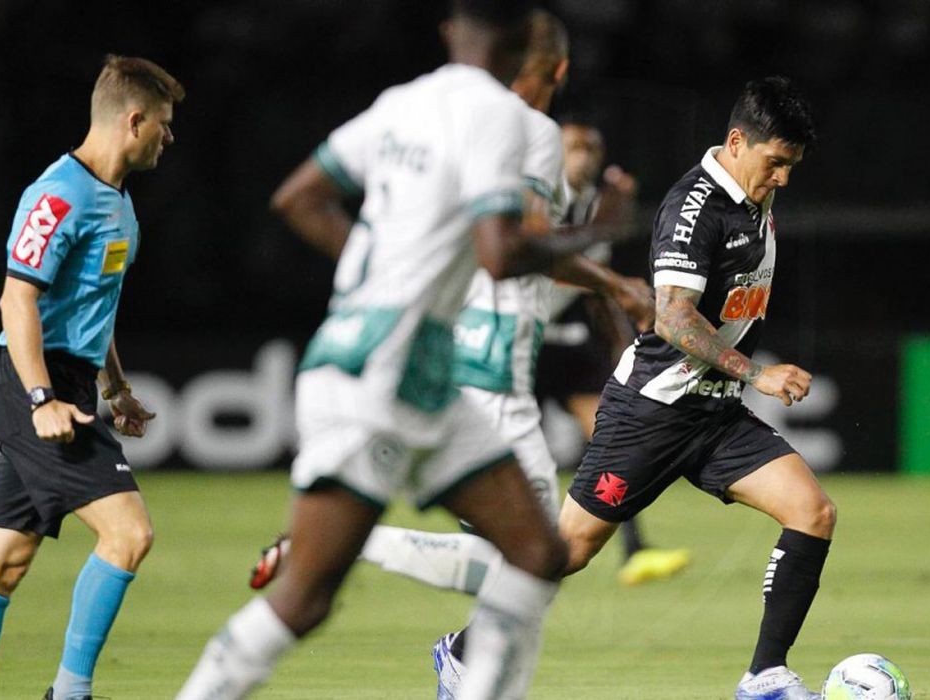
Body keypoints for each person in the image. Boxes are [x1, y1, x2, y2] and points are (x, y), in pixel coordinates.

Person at [176, 3, 616, 699]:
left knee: (538, 552)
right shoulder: (509, 120)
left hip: (418, 368)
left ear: (450, 33)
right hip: (378, 375)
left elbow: (299, 198)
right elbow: (501, 254)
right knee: (306, 599)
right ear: (525, 54)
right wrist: (597, 232)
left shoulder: (402, 103)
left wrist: (380, 273)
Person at [557, 77, 833, 700]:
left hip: (713, 415)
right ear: (737, 141)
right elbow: (673, 317)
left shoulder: (753, 197)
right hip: (651, 410)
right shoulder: (695, 206)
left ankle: (764, 677)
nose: (784, 179)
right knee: (565, 554)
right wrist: (758, 373)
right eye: (776, 163)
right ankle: (464, 652)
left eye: (792, 166)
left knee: (812, 512)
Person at [0, 55, 182, 700]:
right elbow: (16, 300)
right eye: (163, 122)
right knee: (129, 536)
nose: (169, 136)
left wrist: (113, 387)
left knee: (2, 566)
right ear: (133, 121)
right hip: (33, 386)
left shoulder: (118, 202)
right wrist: (42, 398)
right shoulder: (58, 195)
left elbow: (92, 309)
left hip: (69, 385)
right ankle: (70, 695)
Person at [538, 119, 691, 585]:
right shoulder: (544, 195)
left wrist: (624, 342)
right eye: (574, 148)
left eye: (591, 149)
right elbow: (545, 264)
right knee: (508, 451)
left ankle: (633, 549)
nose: (583, 157)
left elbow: (593, 288)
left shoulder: (597, 204)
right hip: (517, 337)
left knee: (612, 435)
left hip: (564, 336)